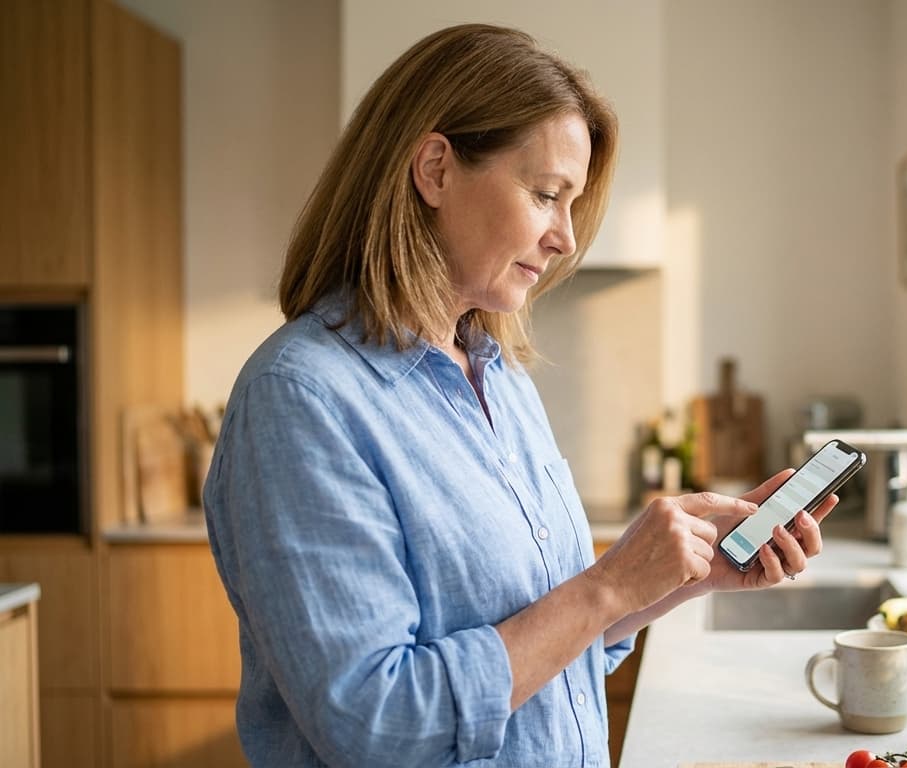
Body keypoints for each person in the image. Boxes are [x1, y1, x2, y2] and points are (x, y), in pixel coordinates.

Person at [203, 23, 836, 768]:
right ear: (435, 169)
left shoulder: (497, 376)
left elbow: (550, 651)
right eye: (545, 194)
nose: (565, 237)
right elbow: (374, 725)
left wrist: (676, 578)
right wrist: (605, 586)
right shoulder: (302, 400)